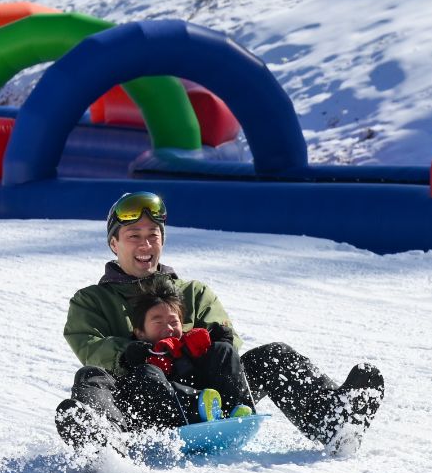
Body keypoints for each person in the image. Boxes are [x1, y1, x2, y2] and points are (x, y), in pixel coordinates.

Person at [58, 191, 385, 456]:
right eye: (133, 236)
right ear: (114, 244)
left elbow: (227, 340)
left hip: (217, 395)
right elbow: (89, 345)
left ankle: (336, 423)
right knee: (91, 376)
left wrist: (201, 342)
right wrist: (129, 352)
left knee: (274, 355)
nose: (145, 245)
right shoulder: (91, 300)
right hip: (147, 399)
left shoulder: (193, 292)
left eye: (153, 235)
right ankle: (103, 440)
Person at [119, 276, 253, 427]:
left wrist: (221, 341)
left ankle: (235, 410)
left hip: (213, 405)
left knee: (222, 349)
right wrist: (132, 358)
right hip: (173, 419)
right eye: (158, 322)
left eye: (173, 322)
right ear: (140, 332)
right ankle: (198, 406)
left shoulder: (191, 346)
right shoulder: (143, 355)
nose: (169, 328)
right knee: (145, 373)